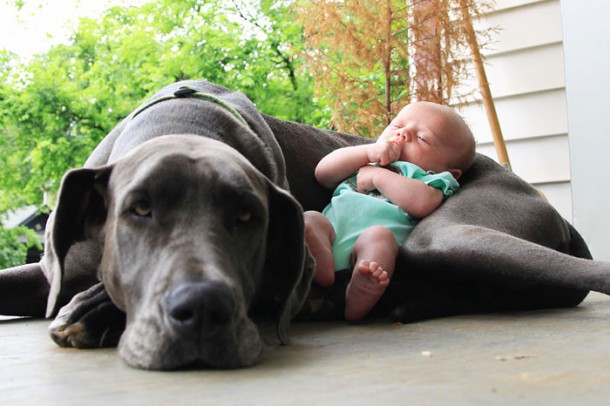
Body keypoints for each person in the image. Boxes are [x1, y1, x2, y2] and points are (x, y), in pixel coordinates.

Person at [304, 101, 476, 322]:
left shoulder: (427, 177)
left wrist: (378, 176)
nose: (403, 134)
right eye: (398, 125)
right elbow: (323, 173)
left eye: (422, 138)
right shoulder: (366, 159)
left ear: (449, 171)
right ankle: (321, 264)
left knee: (379, 236)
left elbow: (422, 203)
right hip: (331, 237)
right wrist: (368, 152)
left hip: (365, 260)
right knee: (312, 218)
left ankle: (361, 292)